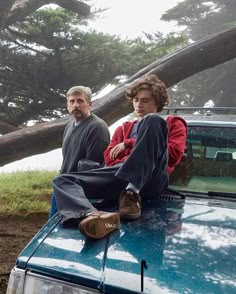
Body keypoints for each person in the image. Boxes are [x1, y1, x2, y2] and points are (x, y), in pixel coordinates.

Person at [53, 75, 187, 240]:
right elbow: (109, 159)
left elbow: (173, 155)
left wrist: (128, 144)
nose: (138, 104)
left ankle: (132, 192)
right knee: (63, 180)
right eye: (136, 100)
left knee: (152, 121)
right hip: (120, 176)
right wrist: (133, 152)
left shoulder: (172, 123)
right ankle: (93, 216)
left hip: (152, 177)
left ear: (157, 102)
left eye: (145, 100)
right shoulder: (123, 128)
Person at [49, 85, 110, 218]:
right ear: (67, 105)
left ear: (89, 104)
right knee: (53, 227)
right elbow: (66, 161)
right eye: (72, 101)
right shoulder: (69, 127)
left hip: (78, 191)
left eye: (80, 101)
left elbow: (93, 169)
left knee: (61, 229)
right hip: (63, 186)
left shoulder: (97, 127)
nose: (76, 105)